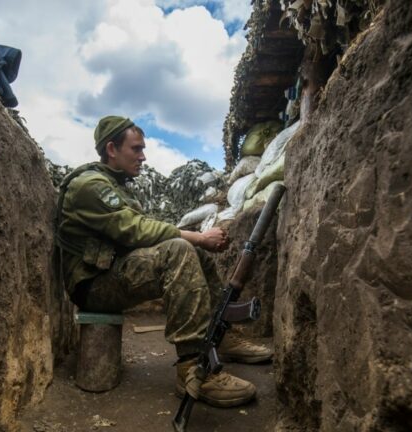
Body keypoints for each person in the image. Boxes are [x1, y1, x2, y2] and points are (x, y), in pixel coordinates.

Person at [55, 115, 272, 408]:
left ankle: (221, 335)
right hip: (93, 285)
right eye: (136, 149)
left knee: (192, 252)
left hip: (111, 273)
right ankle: (193, 369)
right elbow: (135, 229)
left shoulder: (116, 185)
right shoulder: (90, 186)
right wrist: (195, 237)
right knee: (179, 249)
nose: (143, 156)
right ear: (111, 149)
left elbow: (138, 230)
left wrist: (196, 243)